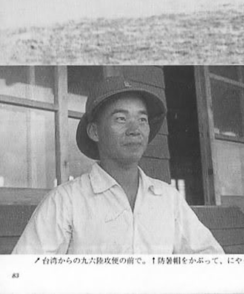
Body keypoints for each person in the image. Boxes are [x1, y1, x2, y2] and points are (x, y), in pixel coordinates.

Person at [13, 76, 224, 254]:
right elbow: (21, 277)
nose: (135, 129)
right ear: (95, 132)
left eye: (142, 120)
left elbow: (212, 260)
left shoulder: (168, 199)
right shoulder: (65, 202)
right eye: (121, 119)